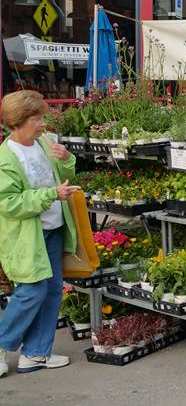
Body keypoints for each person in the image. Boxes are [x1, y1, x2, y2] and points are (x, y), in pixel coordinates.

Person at [0, 91, 81, 377]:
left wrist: (68, 158)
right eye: (37, 118)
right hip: (26, 236)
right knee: (31, 292)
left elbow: (66, 172)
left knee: (50, 293)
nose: (43, 124)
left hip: (53, 229)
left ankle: (35, 353)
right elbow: (8, 203)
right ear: (18, 122)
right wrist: (51, 195)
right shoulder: (6, 158)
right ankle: (2, 344)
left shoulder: (45, 143)